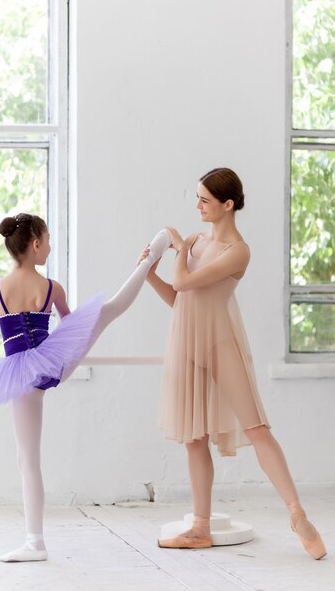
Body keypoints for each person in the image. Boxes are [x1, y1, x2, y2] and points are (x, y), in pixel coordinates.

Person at [0, 213, 171, 562]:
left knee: (28, 459)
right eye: (49, 240)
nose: (50, 247)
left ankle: (35, 541)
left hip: (21, 374)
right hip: (56, 362)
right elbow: (72, 326)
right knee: (109, 309)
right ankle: (149, 259)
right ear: (36, 244)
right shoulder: (52, 288)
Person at [139, 168, 326, 560]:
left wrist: (179, 250)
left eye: (205, 200)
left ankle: (296, 513)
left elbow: (187, 283)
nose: (198, 207)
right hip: (185, 341)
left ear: (228, 205)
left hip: (220, 343)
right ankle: (200, 526)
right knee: (193, 438)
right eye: (197, 198)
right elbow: (179, 298)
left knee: (257, 427)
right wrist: (150, 274)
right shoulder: (198, 241)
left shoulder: (236, 250)